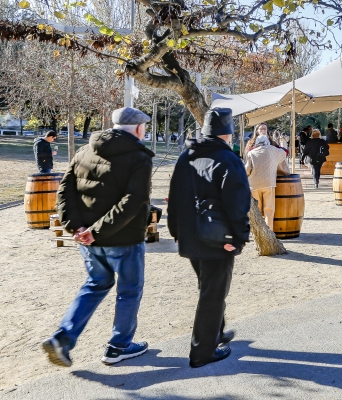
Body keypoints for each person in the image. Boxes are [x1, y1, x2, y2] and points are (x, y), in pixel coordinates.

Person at [43, 108, 153, 367]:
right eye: (144, 127)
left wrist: (77, 228)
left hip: (89, 239)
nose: (145, 131)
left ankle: (63, 337)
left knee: (95, 284)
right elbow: (134, 200)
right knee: (129, 290)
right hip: (123, 238)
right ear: (138, 128)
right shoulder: (139, 157)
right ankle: (119, 346)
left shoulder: (84, 151)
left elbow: (64, 191)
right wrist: (93, 230)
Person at [167, 108, 251, 368]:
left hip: (190, 235)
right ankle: (202, 351)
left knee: (208, 287)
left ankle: (215, 332)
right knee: (213, 293)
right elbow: (238, 203)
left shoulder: (186, 157)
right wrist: (240, 237)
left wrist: (175, 232)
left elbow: (174, 198)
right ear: (228, 132)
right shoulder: (228, 160)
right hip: (218, 236)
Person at [245, 134, 290, 228]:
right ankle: (269, 232)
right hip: (269, 183)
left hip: (254, 185)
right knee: (268, 210)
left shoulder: (251, 153)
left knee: (256, 212)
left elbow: (247, 170)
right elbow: (284, 153)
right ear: (267, 142)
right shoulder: (273, 150)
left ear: (256, 143)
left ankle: (259, 233)